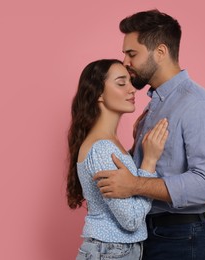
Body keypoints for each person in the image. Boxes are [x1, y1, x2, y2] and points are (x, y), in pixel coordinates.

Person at [93, 9, 205, 260]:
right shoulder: (156, 104)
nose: (125, 61)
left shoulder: (197, 105)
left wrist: (134, 185)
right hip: (156, 235)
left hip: (188, 237)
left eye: (132, 53)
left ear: (160, 52)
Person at [66, 59, 169, 260]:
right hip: (111, 251)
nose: (132, 90)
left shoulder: (108, 143)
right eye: (121, 83)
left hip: (113, 250)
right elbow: (130, 220)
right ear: (98, 94)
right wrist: (149, 161)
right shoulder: (102, 148)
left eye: (130, 82)